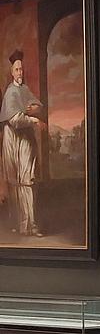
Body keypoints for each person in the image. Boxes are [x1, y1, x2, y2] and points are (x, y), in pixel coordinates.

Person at [1, 50, 46, 237]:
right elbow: (15, 120)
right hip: (13, 140)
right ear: (12, 72)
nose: (20, 72)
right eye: (17, 69)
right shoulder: (10, 92)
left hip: (25, 141)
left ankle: (31, 225)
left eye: (21, 69)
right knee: (16, 183)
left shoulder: (24, 89)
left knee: (28, 181)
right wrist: (33, 119)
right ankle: (20, 224)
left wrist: (33, 109)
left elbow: (38, 105)